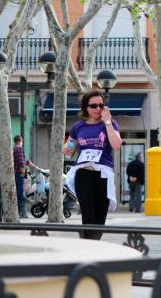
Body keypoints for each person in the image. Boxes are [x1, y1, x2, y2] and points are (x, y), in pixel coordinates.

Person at [64, 89, 122, 239]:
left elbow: (116, 145)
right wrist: (65, 147)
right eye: (93, 106)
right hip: (83, 174)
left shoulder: (110, 123)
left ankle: (93, 247)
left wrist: (108, 122)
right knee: (88, 215)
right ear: (86, 108)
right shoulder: (78, 127)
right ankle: (87, 248)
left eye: (101, 105)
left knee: (100, 217)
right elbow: (68, 151)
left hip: (103, 174)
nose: (98, 109)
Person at [13, 135, 43, 218]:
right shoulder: (19, 148)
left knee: (21, 193)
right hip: (18, 175)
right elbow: (21, 162)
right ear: (21, 140)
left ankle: (21, 212)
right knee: (20, 194)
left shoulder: (16, 149)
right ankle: (21, 213)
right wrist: (23, 173)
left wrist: (36, 168)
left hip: (17, 174)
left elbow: (26, 162)